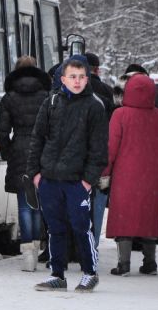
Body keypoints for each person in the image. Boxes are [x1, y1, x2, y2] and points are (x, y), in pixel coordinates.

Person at [27, 58, 108, 292]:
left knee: (81, 226)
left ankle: (89, 272)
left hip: (76, 181)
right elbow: (37, 139)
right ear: (63, 79)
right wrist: (35, 173)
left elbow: (99, 149)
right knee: (55, 228)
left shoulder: (95, 106)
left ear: (88, 78)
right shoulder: (51, 102)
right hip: (49, 178)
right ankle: (57, 274)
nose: (77, 81)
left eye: (82, 77)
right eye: (72, 77)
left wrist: (87, 180)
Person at [104, 74, 158, 276]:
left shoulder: (120, 114)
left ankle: (123, 264)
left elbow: (111, 148)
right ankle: (150, 263)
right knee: (149, 217)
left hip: (125, 175)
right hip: (152, 176)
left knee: (124, 217)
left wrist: (105, 171)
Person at [0, 55, 52, 271]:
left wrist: (9, 152)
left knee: (23, 205)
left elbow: (1, 131)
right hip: (42, 152)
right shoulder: (47, 97)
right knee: (37, 204)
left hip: (19, 149)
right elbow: (53, 127)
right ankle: (36, 249)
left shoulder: (9, 98)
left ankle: (27, 252)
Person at [85, 53, 116, 249]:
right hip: (99, 153)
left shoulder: (71, 90)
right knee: (97, 201)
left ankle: (72, 245)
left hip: (77, 154)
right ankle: (92, 242)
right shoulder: (107, 91)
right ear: (97, 69)